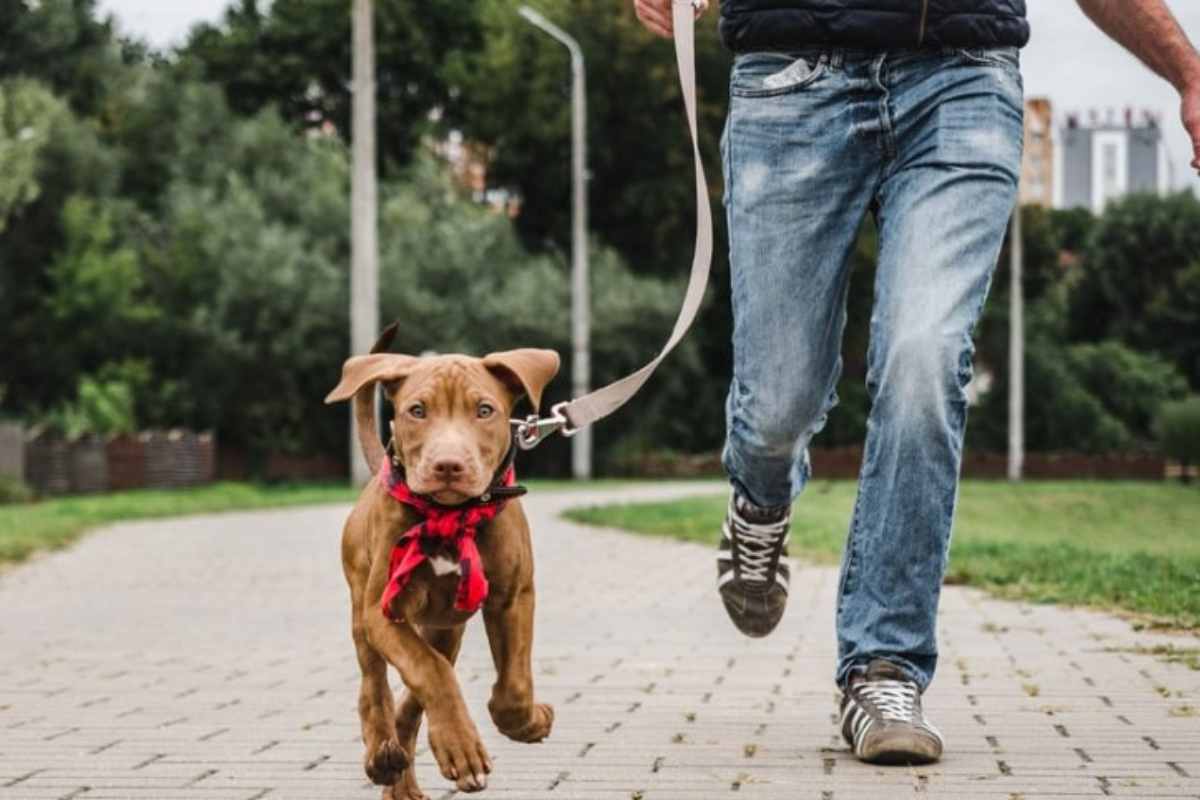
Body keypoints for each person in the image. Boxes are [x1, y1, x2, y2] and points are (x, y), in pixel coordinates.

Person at [633, 0, 1200, 766]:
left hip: (962, 79)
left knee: (925, 359)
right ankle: (761, 500)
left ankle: (883, 662)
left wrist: (1188, 72)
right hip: (790, 76)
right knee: (777, 404)